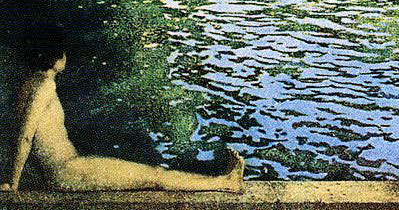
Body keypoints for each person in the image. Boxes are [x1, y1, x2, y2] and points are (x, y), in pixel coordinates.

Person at [0, 29, 244, 193]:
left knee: (153, 176)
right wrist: (13, 183)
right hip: (66, 172)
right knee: (155, 177)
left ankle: (222, 181)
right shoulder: (44, 85)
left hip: (67, 168)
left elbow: (19, 134)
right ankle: (225, 183)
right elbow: (25, 136)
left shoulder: (29, 83)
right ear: (56, 57)